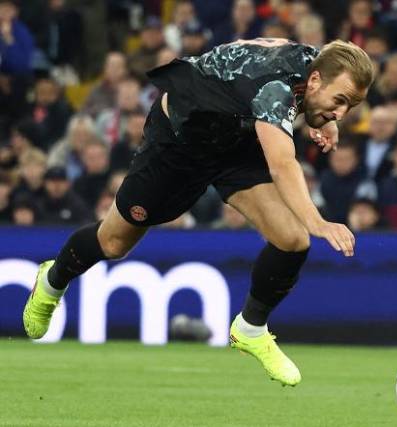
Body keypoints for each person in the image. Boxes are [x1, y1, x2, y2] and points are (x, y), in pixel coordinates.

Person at [22, 38, 376, 387]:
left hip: (235, 140)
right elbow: (283, 165)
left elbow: (261, 55)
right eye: (340, 101)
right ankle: (53, 280)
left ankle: (250, 329)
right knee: (114, 243)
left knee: (293, 240)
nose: (343, 113)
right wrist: (318, 221)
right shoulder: (275, 87)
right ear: (315, 81)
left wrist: (325, 117)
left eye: (351, 105)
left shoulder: (317, 64)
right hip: (180, 141)